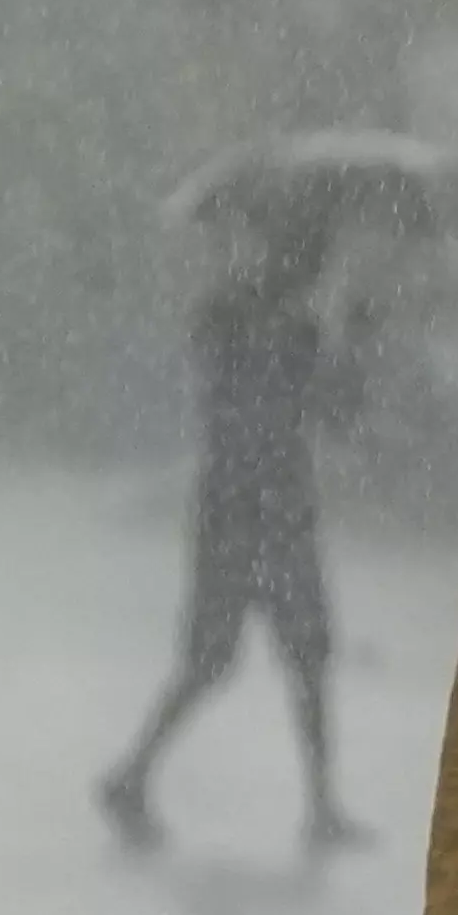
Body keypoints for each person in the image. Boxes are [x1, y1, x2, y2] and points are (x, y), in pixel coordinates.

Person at [100, 195, 364, 851]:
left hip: (262, 505)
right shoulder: (232, 315)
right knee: (219, 657)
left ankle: (319, 804)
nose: (314, 269)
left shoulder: (291, 327)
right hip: (247, 506)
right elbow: (240, 402)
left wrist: (349, 341)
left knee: (298, 655)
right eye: (311, 255)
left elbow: (337, 418)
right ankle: (136, 774)